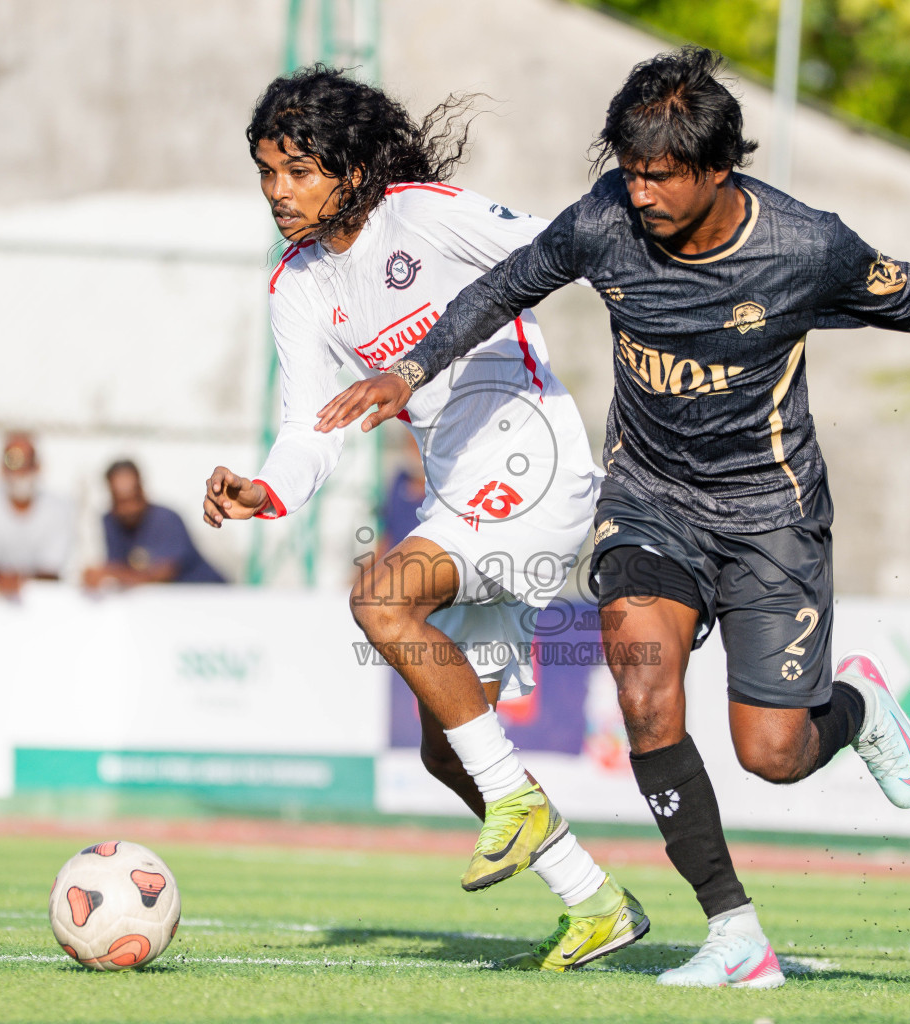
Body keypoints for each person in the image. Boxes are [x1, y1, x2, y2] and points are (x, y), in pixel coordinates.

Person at [316, 47, 910, 988]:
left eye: (661, 175)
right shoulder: (603, 221)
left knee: (774, 753)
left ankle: (857, 707)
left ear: (718, 169)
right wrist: (410, 369)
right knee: (643, 693)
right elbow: (503, 286)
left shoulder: (804, 246)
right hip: (648, 500)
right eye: (630, 170)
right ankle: (734, 932)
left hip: (770, 517)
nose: (641, 192)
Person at [202, 67, 647, 971]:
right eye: (267, 174)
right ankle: (595, 903)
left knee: (380, 599)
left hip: (534, 470)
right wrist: (267, 489)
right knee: (449, 753)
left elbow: (555, 246)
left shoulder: (422, 215)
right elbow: (310, 425)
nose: (278, 192)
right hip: (461, 498)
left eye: (298, 172)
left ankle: (519, 810)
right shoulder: (297, 286)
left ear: (353, 169)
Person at [0, 433, 76, 597]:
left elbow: (52, 570)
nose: (20, 471)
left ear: (38, 466)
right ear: (1, 468)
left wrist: (17, 582)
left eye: (27, 462)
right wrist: (5, 580)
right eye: (12, 461)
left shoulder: (59, 510)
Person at [86, 460, 224, 588]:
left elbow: (162, 574)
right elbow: (117, 566)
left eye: (133, 497)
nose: (129, 508)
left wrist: (111, 573)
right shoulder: (111, 522)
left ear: (141, 490)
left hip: (211, 595)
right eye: (120, 500)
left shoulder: (167, 519)